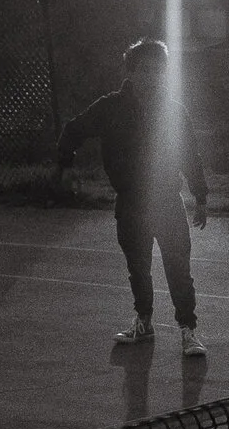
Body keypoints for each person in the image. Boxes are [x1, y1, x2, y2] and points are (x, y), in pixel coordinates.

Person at [58, 39, 210, 359]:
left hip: (168, 201)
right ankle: (144, 322)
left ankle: (188, 330)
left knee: (178, 268)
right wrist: (66, 166)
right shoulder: (110, 107)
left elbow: (190, 154)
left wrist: (201, 196)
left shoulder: (173, 110)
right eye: (147, 68)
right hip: (130, 202)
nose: (154, 74)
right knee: (138, 268)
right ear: (132, 71)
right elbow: (73, 129)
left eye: (159, 68)